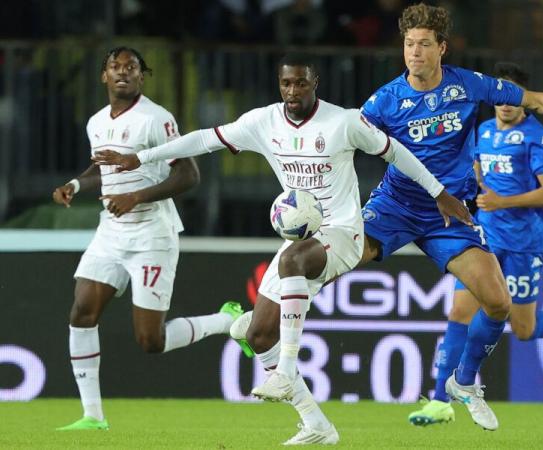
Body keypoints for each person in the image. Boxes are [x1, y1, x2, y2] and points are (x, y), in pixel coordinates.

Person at [92, 52, 470, 445]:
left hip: (343, 234)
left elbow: (396, 152)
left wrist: (439, 192)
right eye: (286, 83)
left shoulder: (343, 122)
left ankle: (286, 370)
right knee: (258, 336)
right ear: (280, 84)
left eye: (301, 83)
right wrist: (142, 156)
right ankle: (316, 425)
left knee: (291, 260)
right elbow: (204, 140)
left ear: (315, 82)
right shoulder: (263, 122)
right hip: (302, 238)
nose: (293, 91)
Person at [356, 3, 543, 431]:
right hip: (417, 210)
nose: (415, 53)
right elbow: (347, 138)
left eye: (424, 44)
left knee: (514, 319)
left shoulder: (480, 95)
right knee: (450, 308)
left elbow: (540, 121)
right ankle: (444, 395)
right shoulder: (394, 103)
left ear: (441, 48)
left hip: (500, 232)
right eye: (409, 45)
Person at [53, 47, 252, 431]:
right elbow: (103, 170)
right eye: (115, 66)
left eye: (132, 67)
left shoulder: (156, 119)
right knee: (81, 313)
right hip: (111, 232)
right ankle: (93, 416)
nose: (123, 72)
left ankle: (224, 321)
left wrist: (137, 197)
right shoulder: (96, 122)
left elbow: (189, 175)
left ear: (143, 77)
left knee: (151, 341)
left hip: (151, 234)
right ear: (103, 76)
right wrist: (75, 184)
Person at [408, 62, 543, 427]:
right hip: (484, 237)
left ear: (522, 102)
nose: (506, 105)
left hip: (523, 242)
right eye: (500, 99)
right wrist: (480, 190)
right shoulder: (482, 130)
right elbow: (477, 166)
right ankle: (439, 400)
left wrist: (501, 202)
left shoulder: (536, 136)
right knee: (459, 313)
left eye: (512, 99)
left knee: (524, 329)